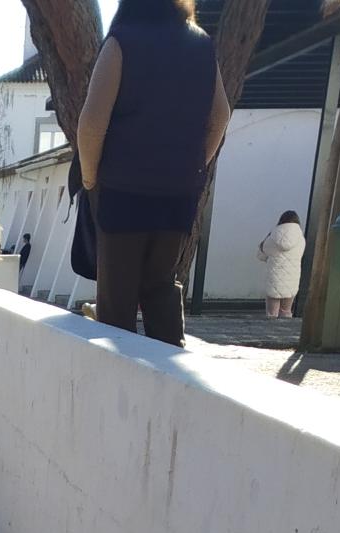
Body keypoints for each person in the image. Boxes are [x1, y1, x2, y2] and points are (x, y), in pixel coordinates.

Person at [77, 0, 231, 347]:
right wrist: (195, 166)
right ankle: (170, 367)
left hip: (123, 192)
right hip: (178, 194)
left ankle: (117, 376)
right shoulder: (202, 45)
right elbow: (220, 116)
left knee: (117, 297)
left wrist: (90, 178)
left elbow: (92, 124)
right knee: (161, 285)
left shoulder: (121, 42)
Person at [258, 210, 306, 317]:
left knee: (272, 314)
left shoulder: (273, 235)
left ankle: (270, 326)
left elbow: (263, 252)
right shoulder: (300, 238)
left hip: (274, 279)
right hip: (292, 279)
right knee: (286, 311)